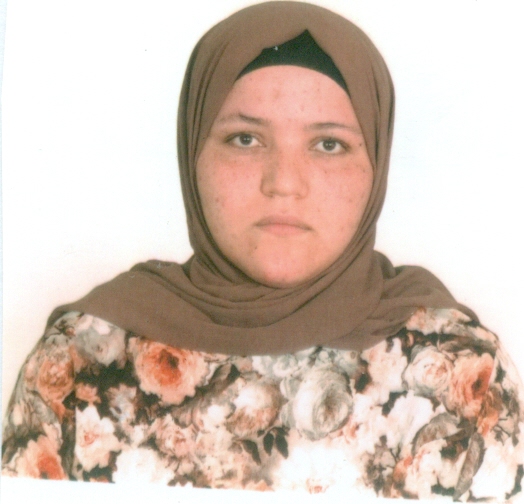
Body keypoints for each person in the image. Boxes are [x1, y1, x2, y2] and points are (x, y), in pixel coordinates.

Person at [2, 1, 523, 502]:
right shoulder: (81, 359)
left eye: (329, 145)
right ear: (193, 151)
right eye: (246, 140)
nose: (284, 183)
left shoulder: (460, 373)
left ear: (376, 164)